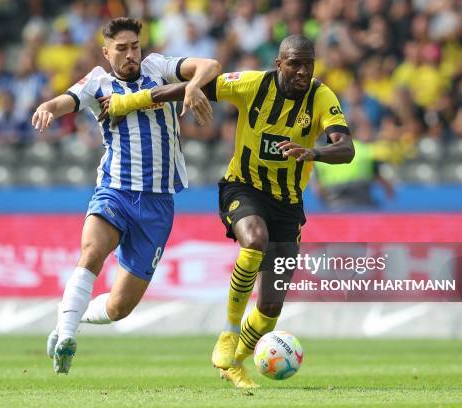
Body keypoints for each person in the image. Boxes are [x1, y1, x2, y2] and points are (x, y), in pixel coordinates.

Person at [100, 34, 354, 388]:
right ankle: (229, 333)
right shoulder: (251, 84)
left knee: (268, 313)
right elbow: (186, 88)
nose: (302, 71)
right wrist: (129, 102)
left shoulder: (321, 95)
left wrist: (314, 153)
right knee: (254, 240)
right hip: (243, 187)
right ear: (279, 64)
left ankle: (233, 361)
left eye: (308, 64)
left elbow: (346, 148)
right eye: (294, 64)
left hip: (288, 204)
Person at [31, 17, 220, 375]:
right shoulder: (97, 83)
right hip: (115, 189)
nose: (131, 54)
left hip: (158, 203)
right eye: (122, 48)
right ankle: (67, 337)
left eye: (135, 46)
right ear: (107, 53)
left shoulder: (158, 68)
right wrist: (46, 108)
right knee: (91, 252)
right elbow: (65, 101)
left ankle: (70, 317)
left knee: (120, 308)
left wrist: (193, 85)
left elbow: (210, 65)